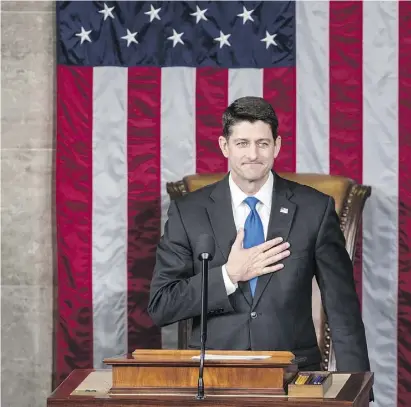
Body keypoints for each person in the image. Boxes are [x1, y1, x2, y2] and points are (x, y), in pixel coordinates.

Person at [148, 96, 371, 376]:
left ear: (276, 146)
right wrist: (228, 275)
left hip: (293, 376)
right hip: (214, 377)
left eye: (262, 143)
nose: (252, 154)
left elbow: (343, 310)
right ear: (224, 146)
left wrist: (356, 390)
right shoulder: (188, 212)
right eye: (242, 143)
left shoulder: (315, 209)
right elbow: (162, 305)